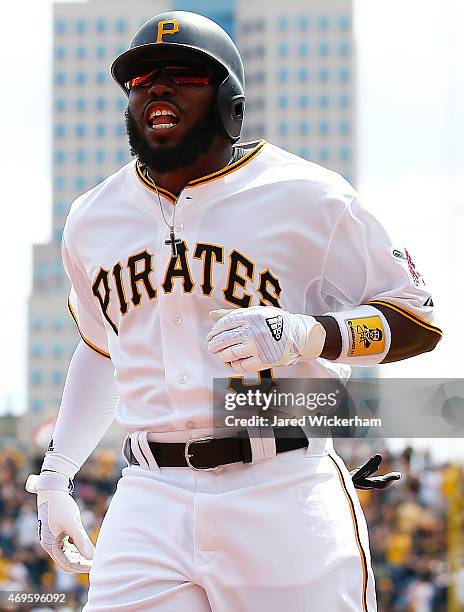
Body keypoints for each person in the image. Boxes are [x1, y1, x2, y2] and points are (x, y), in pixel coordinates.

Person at [25, 11, 441, 612]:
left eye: (184, 75)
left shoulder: (308, 194)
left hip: (284, 485)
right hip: (149, 492)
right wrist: (57, 474)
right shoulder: (92, 218)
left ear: (229, 100)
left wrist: (311, 335)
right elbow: (98, 349)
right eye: (142, 80)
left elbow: (419, 319)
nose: (158, 88)